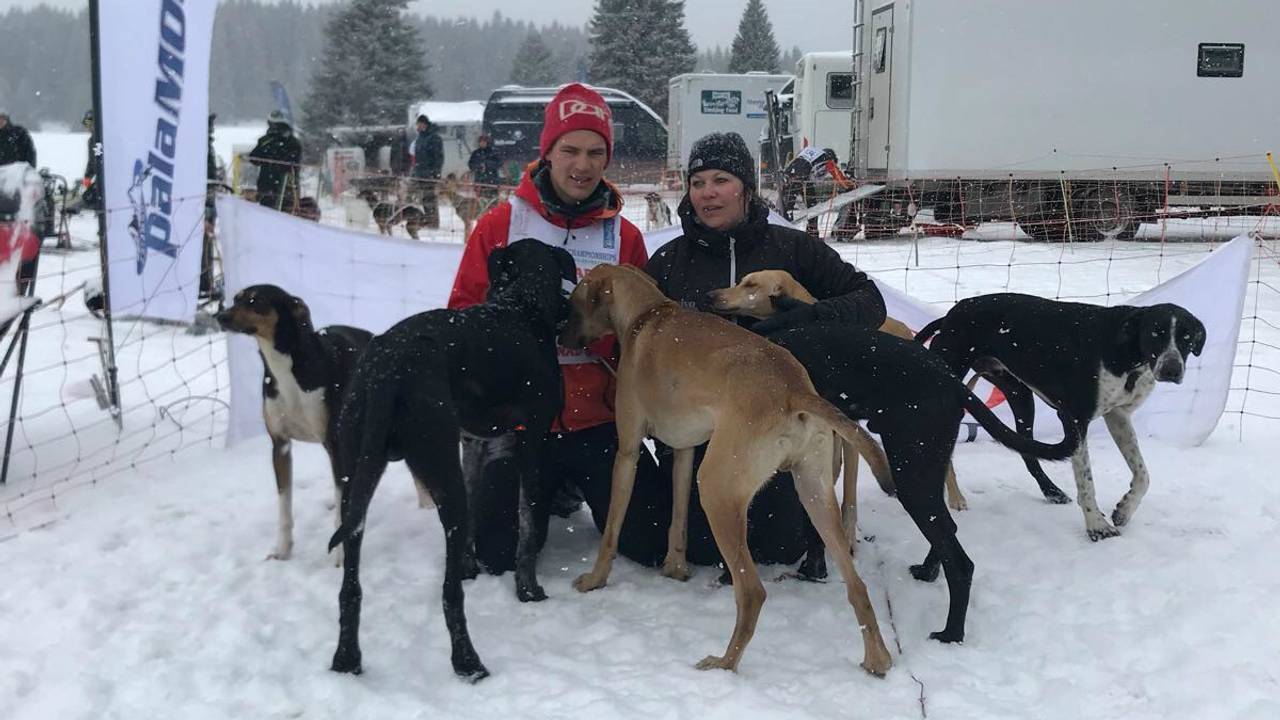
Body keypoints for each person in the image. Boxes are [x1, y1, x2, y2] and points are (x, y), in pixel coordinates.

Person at [639, 131, 888, 576]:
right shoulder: (669, 262)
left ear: (746, 188)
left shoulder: (792, 249)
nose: (708, 193)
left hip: (777, 426)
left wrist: (810, 317)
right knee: (701, 545)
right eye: (697, 182)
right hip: (700, 431)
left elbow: (870, 302)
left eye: (721, 180)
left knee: (777, 544)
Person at [447, 82, 669, 574]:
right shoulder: (501, 225)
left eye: (595, 152)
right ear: (546, 152)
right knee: (496, 555)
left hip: (597, 419)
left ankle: (567, 485)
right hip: (520, 420)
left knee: (651, 542)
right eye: (569, 150)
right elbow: (463, 313)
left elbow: (646, 334)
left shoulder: (624, 237)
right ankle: (542, 489)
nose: (582, 165)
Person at [248, 110, 301, 211]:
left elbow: (293, 164)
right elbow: (253, 158)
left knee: (281, 215)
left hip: (284, 187)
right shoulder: (266, 141)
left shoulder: (291, 143)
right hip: (269, 186)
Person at [411, 114, 443, 227]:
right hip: (421, 174)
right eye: (417, 124)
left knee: (430, 199)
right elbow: (417, 157)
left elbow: (438, 157)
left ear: (424, 124)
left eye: (419, 124)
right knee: (425, 199)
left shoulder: (434, 138)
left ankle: (433, 222)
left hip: (430, 174)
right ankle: (429, 220)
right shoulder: (420, 138)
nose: (417, 126)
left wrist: (435, 173)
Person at [467, 133, 501, 202]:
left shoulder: (494, 152)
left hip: (492, 182)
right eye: (480, 142)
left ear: (487, 142)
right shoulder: (475, 153)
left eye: (484, 142)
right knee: (480, 202)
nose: (482, 143)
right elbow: (470, 164)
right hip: (479, 182)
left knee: (492, 202)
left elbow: (499, 163)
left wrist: (487, 164)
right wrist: (477, 167)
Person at [79, 110, 102, 212]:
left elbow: (100, 162)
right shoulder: (91, 141)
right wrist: (87, 178)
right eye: (86, 124)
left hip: (103, 180)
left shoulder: (101, 139)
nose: (88, 127)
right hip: (96, 179)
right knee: (86, 196)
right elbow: (91, 163)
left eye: (89, 123)